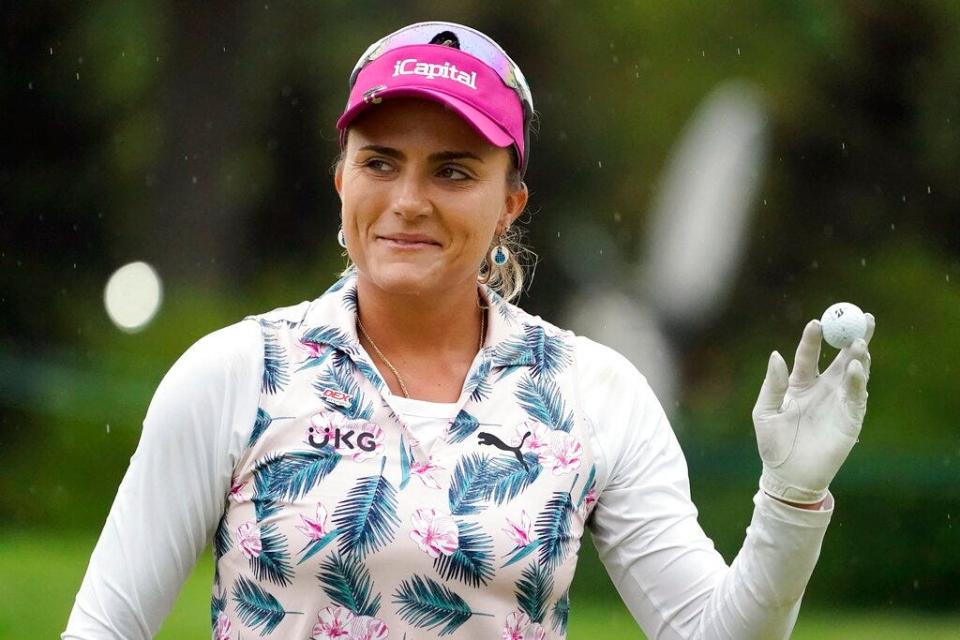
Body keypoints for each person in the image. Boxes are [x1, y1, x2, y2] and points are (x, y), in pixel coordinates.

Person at [62, 21, 875, 640]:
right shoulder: (237, 373)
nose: (409, 200)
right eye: (381, 162)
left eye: (453, 170)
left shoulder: (593, 393)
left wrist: (791, 499)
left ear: (508, 204)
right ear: (342, 178)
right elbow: (106, 626)